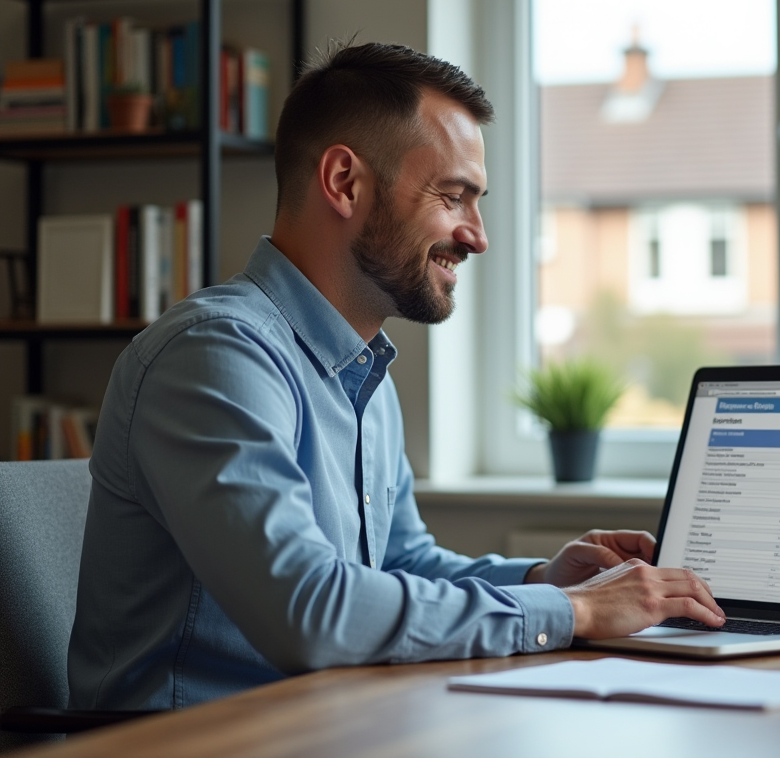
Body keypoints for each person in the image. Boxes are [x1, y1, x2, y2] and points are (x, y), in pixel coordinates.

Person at [67, 42, 724, 711]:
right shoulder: (213, 356)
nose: (477, 236)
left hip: (327, 725)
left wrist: (542, 576)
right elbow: (311, 611)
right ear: (345, 182)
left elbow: (401, 566)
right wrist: (570, 610)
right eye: (454, 196)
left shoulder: (362, 371)